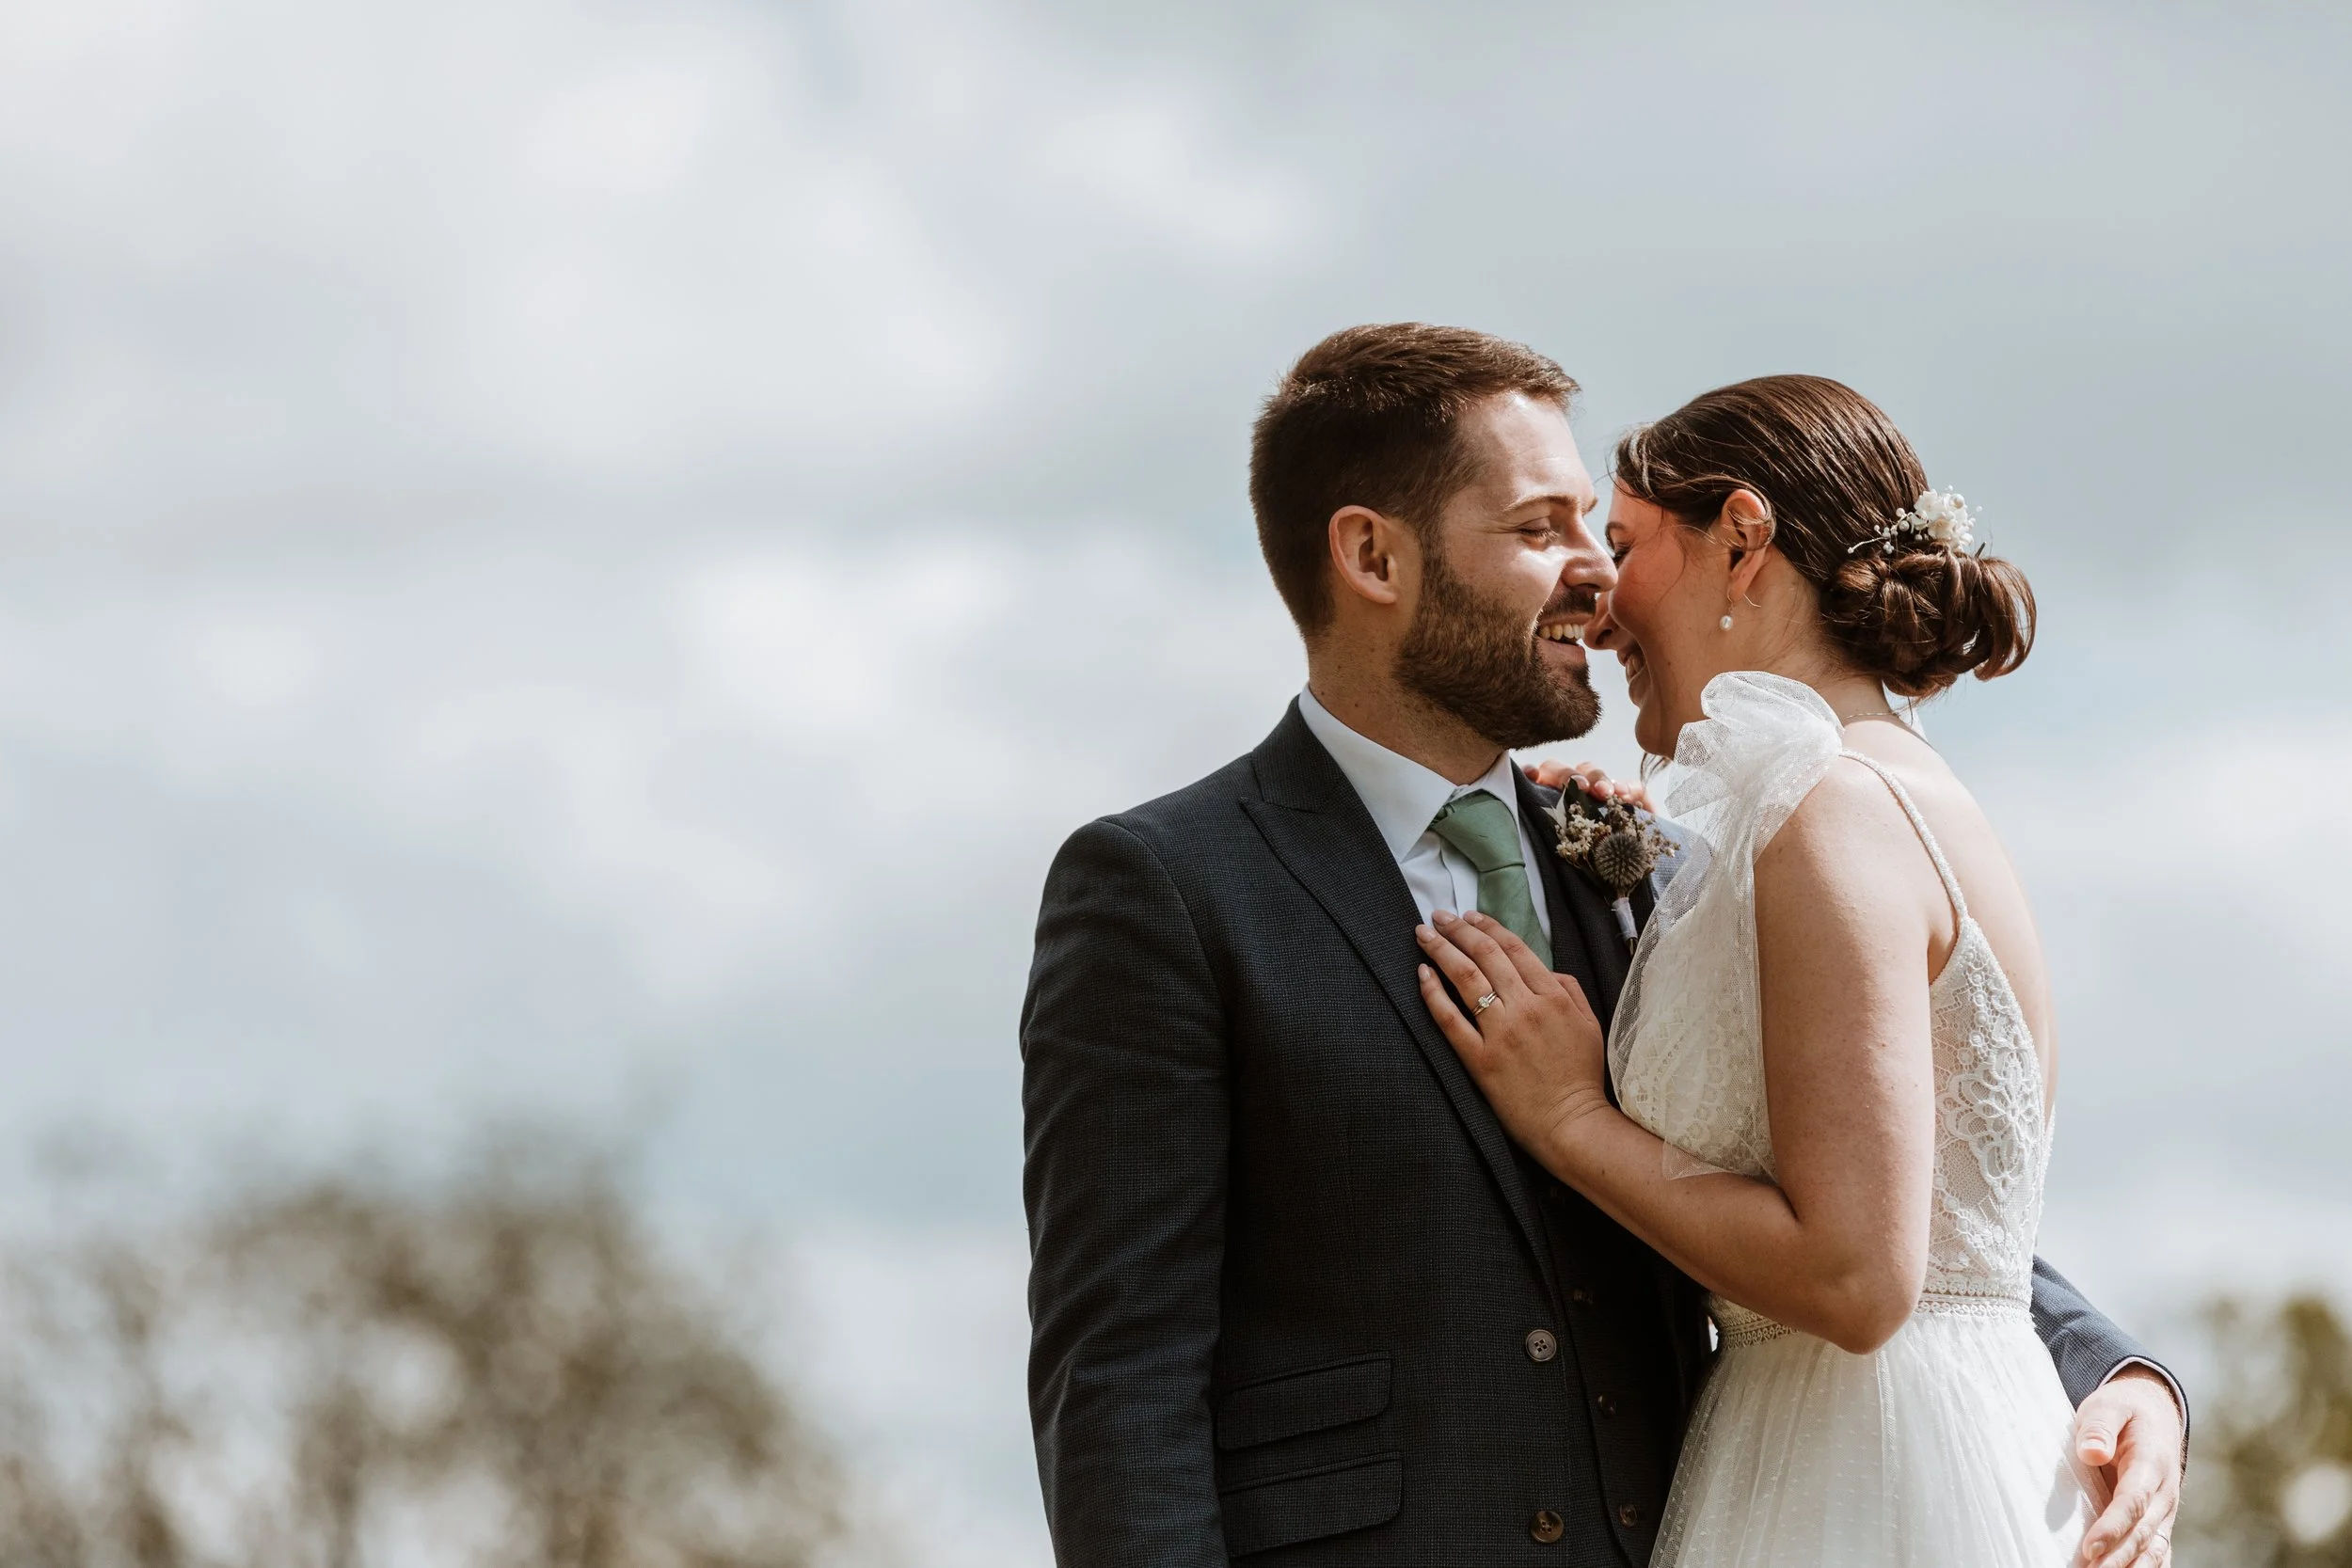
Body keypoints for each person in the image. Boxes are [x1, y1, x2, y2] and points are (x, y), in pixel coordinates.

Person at [1021, 325, 2184, 1566]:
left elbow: (1868, 1185)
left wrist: (2113, 1365)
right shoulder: (1168, 889)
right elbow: (1122, 1380)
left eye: (1598, 524)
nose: (1600, 576)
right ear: (1371, 555)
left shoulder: (1656, 865)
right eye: (1542, 528)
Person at [1412, 372, 2174, 1565]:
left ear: (1741, 540)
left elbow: (1857, 1276)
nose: (1602, 613)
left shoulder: (1833, 809)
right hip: (1911, 1436)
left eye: (1626, 545)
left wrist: (1570, 1117)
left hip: (1864, 1470)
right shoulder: (1884, 791)